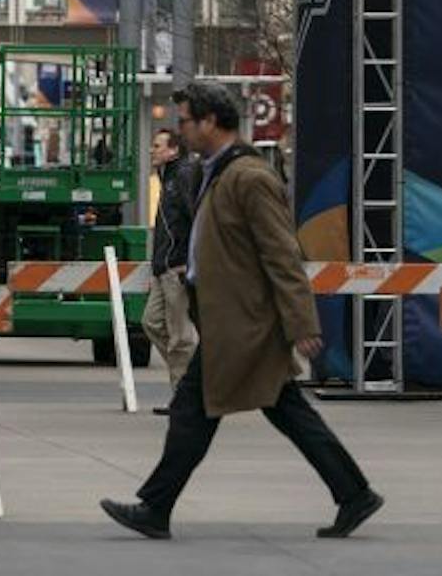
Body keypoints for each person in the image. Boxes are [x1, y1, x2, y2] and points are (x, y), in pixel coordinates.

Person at [100, 82, 384, 542]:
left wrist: (302, 323)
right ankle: (354, 493)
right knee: (281, 412)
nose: (182, 131)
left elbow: (282, 254)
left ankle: (155, 507)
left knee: (194, 413)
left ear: (211, 121)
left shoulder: (248, 177)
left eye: (187, 121)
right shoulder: (218, 171)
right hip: (231, 323)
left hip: (244, 326)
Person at [142, 127, 200, 410]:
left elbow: (197, 220)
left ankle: (185, 397)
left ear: (174, 150)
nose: (152, 150)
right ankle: (193, 377)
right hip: (163, 268)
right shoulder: (167, 179)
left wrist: (188, 262)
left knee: (180, 337)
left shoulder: (184, 176)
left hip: (176, 268)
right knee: (150, 323)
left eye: (157, 145)